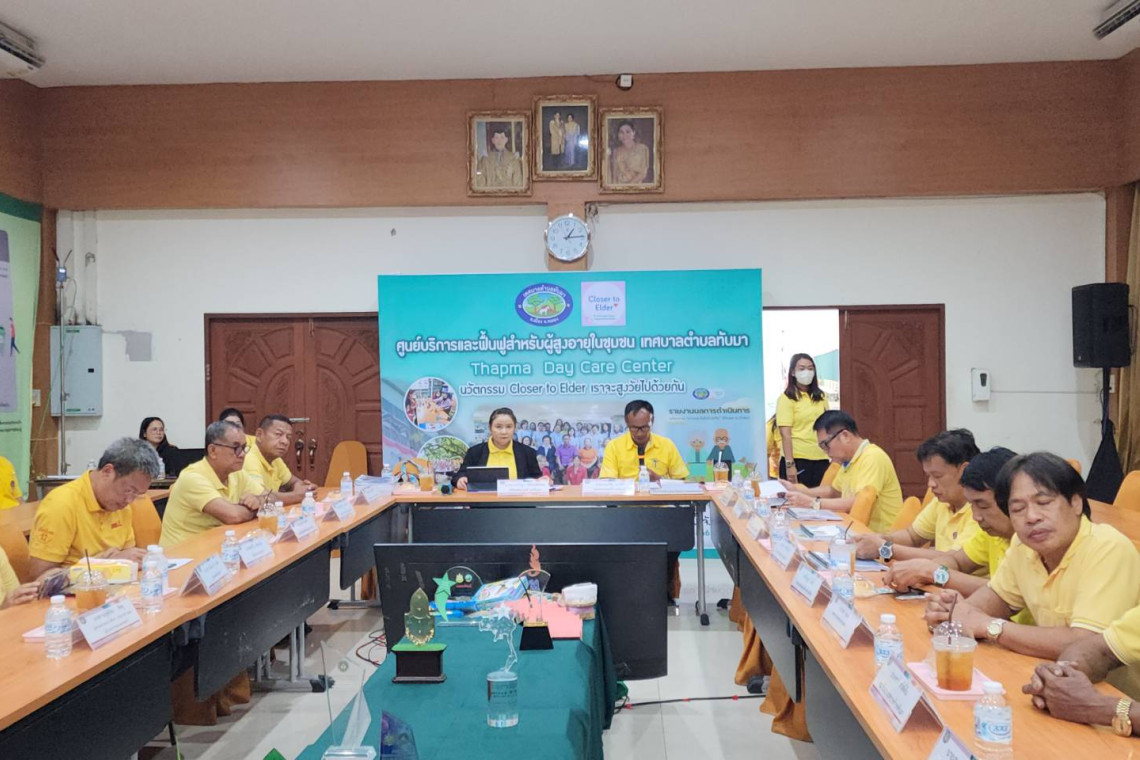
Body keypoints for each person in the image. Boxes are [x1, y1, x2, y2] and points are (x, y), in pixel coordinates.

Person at [924, 453, 1140, 683]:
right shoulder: (1023, 544)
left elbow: (1084, 643)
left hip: (1109, 694)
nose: (1032, 517)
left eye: (1044, 503)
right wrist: (953, 613)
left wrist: (989, 626)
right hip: (1049, 678)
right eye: (1018, 509)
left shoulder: (1107, 547)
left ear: (1076, 502)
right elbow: (997, 598)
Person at [883, 448, 1032, 623]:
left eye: (983, 506)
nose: (976, 516)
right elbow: (957, 561)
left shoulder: (1033, 543)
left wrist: (932, 573)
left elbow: (1003, 593)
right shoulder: (993, 534)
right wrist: (922, 570)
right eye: (972, 505)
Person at [28, 438, 160, 578]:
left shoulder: (122, 506)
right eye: (128, 490)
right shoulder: (61, 505)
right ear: (107, 471)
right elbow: (39, 578)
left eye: (137, 494)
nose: (129, 500)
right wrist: (104, 565)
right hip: (73, 590)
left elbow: (126, 558)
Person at [854, 429, 980, 563]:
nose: (931, 484)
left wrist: (885, 548)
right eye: (929, 476)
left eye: (937, 476)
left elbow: (954, 560)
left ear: (964, 470)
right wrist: (880, 539)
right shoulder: (943, 502)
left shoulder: (980, 511)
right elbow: (912, 536)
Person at [781, 410, 903, 532]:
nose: (826, 452)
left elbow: (859, 502)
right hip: (853, 529)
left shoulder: (872, 457)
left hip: (879, 537)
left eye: (825, 445)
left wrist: (813, 503)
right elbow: (834, 491)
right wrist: (801, 491)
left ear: (845, 436)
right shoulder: (849, 460)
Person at [160, 421, 266, 548]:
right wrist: (256, 510)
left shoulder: (236, 473)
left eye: (244, 448)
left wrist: (258, 500)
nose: (242, 454)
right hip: (182, 554)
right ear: (213, 451)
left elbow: (270, 497)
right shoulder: (193, 477)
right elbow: (233, 516)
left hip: (216, 547)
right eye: (236, 448)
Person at [452, 408, 545, 489]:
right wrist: (460, 479)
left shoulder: (528, 452)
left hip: (519, 503)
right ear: (490, 428)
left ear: (514, 428)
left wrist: (543, 481)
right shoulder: (475, 452)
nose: (504, 431)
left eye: (509, 427)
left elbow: (537, 478)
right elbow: (459, 475)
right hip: (482, 503)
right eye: (498, 427)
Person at [774, 354, 830, 487]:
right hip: (797, 459)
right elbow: (785, 434)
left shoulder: (821, 397)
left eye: (810, 368)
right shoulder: (786, 398)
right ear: (793, 372)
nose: (807, 372)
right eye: (802, 368)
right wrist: (789, 465)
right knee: (797, 498)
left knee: (819, 498)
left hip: (821, 458)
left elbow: (827, 427)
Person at [599, 399, 689, 481]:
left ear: (652, 421)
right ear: (627, 422)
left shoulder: (667, 445)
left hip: (658, 494)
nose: (639, 434)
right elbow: (608, 483)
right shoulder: (614, 447)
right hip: (626, 494)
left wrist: (659, 480)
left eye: (644, 427)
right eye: (634, 428)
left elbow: (681, 480)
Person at [242, 414, 314, 505]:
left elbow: (293, 482)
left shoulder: (275, 459)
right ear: (259, 435)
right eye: (278, 434)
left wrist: (304, 488)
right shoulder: (248, 458)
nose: (285, 441)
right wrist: (298, 495)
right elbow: (261, 497)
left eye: (288, 437)